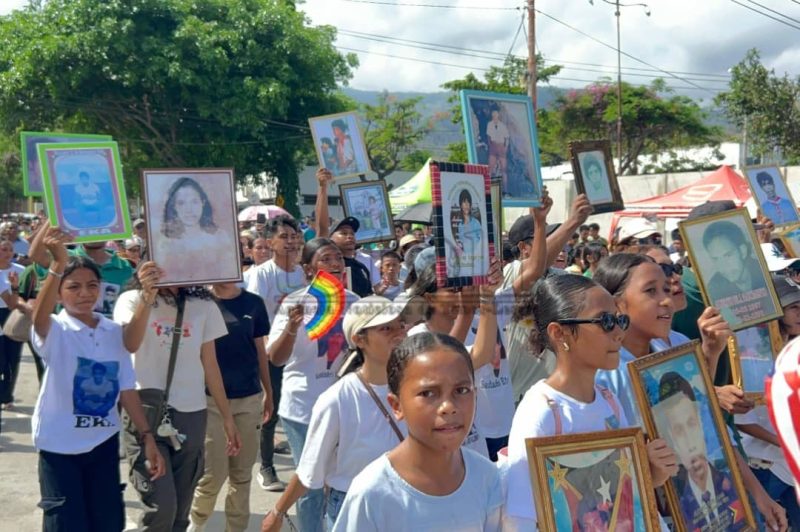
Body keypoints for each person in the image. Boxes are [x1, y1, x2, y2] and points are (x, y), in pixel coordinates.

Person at [505, 274, 677, 530]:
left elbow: (623, 498)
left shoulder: (609, 401)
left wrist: (651, 473)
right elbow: (520, 518)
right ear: (559, 332)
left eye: (620, 320)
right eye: (606, 321)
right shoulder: (541, 411)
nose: (619, 333)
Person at [31, 227, 165, 531]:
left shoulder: (112, 331)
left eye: (92, 286)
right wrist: (57, 264)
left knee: (107, 522)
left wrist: (147, 438)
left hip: (102, 444)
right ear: (60, 293)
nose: (84, 294)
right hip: (58, 447)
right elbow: (38, 318)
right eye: (74, 287)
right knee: (67, 523)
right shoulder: (54, 329)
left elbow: (126, 389)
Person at [261, 296, 410, 531]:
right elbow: (310, 468)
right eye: (385, 328)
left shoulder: (418, 387)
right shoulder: (338, 399)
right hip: (354, 508)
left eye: (401, 325)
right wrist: (278, 512)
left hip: (408, 502)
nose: (398, 333)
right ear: (359, 339)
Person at [331, 332, 503, 531]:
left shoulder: (486, 477)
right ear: (397, 406)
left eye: (462, 390)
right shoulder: (373, 492)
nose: (448, 406)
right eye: (428, 393)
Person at [114, 271, 242, 531]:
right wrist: (147, 298)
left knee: (181, 509)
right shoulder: (131, 299)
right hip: (146, 412)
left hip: (191, 413)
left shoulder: (204, 305)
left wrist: (227, 418)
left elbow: (210, 364)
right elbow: (130, 344)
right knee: (161, 507)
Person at [267, 238, 359, 532]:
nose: (335, 264)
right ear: (308, 269)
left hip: (344, 404)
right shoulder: (295, 303)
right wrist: (292, 328)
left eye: (338, 259)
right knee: (310, 482)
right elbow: (276, 358)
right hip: (303, 408)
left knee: (342, 479)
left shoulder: (355, 302)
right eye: (326, 259)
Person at [189, 280, 273, 532]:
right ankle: (195, 524)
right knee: (212, 476)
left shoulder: (254, 303)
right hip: (210, 400)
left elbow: (260, 351)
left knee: (242, 474)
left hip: (248, 398)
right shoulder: (200, 302)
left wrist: (269, 391)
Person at [245, 215, 306, 492]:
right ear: (270, 243)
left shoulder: (302, 273)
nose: (291, 241)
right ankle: (266, 468)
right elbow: (257, 315)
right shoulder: (262, 273)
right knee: (269, 410)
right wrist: (268, 347)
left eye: (294, 236)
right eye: (284, 237)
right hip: (273, 351)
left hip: (300, 350)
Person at [657, 371, 745, 530]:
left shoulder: (731, 484)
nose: (689, 440)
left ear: (701, 424)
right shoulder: (680, 507)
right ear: (671, 440)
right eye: (678, 430)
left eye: (691, 424)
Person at [156, 176, 234, 282]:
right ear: (174, 207)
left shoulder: (220, 237)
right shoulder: (166, 243)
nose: (189, 209)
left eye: (194, 202)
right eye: (181, 203)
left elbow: (228, 275)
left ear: (203, 203)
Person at [702, 220, 774, 325]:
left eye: (728, 255)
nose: (723, 266)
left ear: (743, 251)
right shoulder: (714, 289)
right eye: (716, 259)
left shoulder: (765, 272)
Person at [315, 168, 373, 297]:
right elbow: (322, 226)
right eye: (343, 233)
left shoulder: (361, 268)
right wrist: (323, 187)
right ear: (330, 237)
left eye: (352, 233)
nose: (349, 236)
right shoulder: (327, 264)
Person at [0, 237, 27, 409]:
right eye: (4, 249)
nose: (8, 253)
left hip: (14, 315)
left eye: (10, 249)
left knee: (13, 358)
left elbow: (24, 296)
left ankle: (7, 395)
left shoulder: (21, 270)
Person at [452, 189, 483, 276]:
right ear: (460, 204)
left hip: (477, 261)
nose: (466, 205)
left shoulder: (476, 222)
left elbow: (481, 242)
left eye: (468, 202)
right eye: (464, 202)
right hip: (464, 263)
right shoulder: (458, 224)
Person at [486, 108, 509, 187]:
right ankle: (490, 188)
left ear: (498, 115)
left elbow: (507, 137)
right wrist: (490, 145)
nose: (495, 116)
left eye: (496, 115)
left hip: (501, 146)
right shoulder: (489, 124)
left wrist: (505, 147)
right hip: (493, 146)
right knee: (491, 168)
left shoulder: (502, 125)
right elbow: (488, 136)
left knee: (503, 169)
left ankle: (505, 189)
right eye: (493, 115)